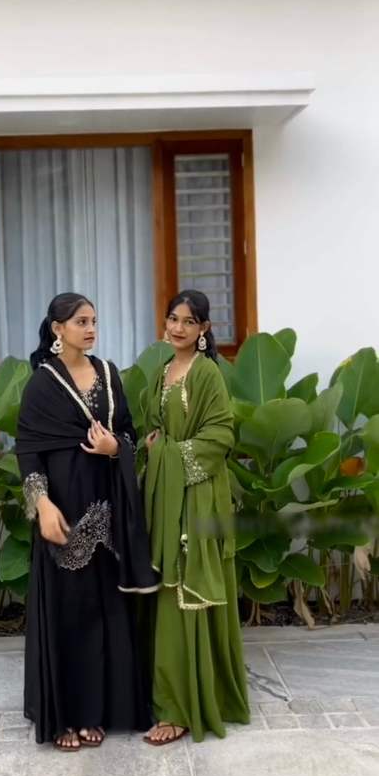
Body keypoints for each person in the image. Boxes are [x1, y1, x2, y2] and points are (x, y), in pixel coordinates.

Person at [16, 292, 158, 750]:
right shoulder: (42, 384)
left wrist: (117, 448)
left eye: (94, 320)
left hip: (107, 508)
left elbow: (128, 432)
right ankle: (66, 717)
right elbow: (28, 451)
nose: (90, 328)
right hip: (63, 509)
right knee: (70, 610)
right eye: (81, 321)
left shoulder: (109, 374)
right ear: (58, 329)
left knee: (106, 609)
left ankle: (101, 712)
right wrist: (42, 505)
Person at [142, 289, 250, 745]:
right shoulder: (163, 371)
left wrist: (166, 456)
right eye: (173, 318)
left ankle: (186, 707)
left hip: (198, 496)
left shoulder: (206, 373)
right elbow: (153, 428)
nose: (178, 328)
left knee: (186, 592)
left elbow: (219, 435)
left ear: (204, 329)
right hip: (167, 496)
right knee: (166, 594)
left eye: (188, 321)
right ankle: (171, 697)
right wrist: (152, 444)